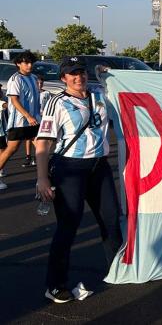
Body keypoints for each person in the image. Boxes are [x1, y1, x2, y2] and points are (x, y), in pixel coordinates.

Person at [35, 57, 122, 303]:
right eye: (72, 73)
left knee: (111, 219)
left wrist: (105, 73)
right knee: (68, 226)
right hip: (70, 168)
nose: (78, 77)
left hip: (99, 166)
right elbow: (43, 142)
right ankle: (55, 284)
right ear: (63, 78)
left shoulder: (97, 92)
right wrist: (42, 178)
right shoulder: (57, 102)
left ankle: (118, 269)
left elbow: (123, 89)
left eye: (81, 72)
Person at [0, 51, 41, 190]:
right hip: (19, 121)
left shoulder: (34, 77)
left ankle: (45, 178)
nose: (29, 65)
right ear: (18, 64)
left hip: (34, 121)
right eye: (26, 62)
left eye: (31, 63)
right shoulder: (15, 79)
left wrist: (37, 115)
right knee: (12, 149)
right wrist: (28, 116)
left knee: (42, 147)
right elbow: (14, 100)